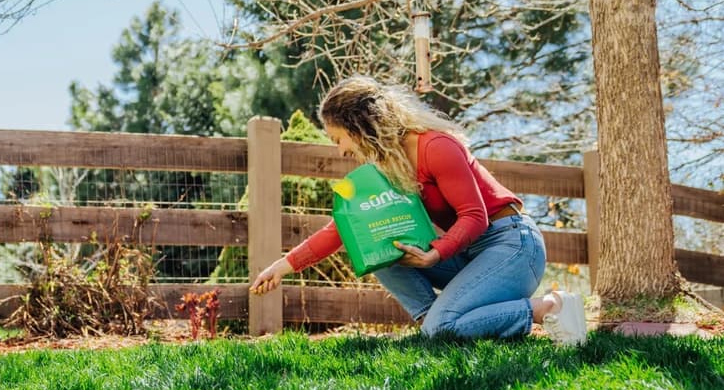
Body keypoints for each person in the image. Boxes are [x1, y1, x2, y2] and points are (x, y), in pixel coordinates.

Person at [250, 74, 587, 346]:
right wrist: (283, 266)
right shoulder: (388, 166)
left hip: (513, 247)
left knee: (444, 330)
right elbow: (345, 228)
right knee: (379, 248)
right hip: (470, 253)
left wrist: (436, 253)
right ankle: (436, 323)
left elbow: (475, 216)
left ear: (359, 127)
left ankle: (546, 308)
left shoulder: (436, 147)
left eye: (339, 139)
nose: (340, 151)